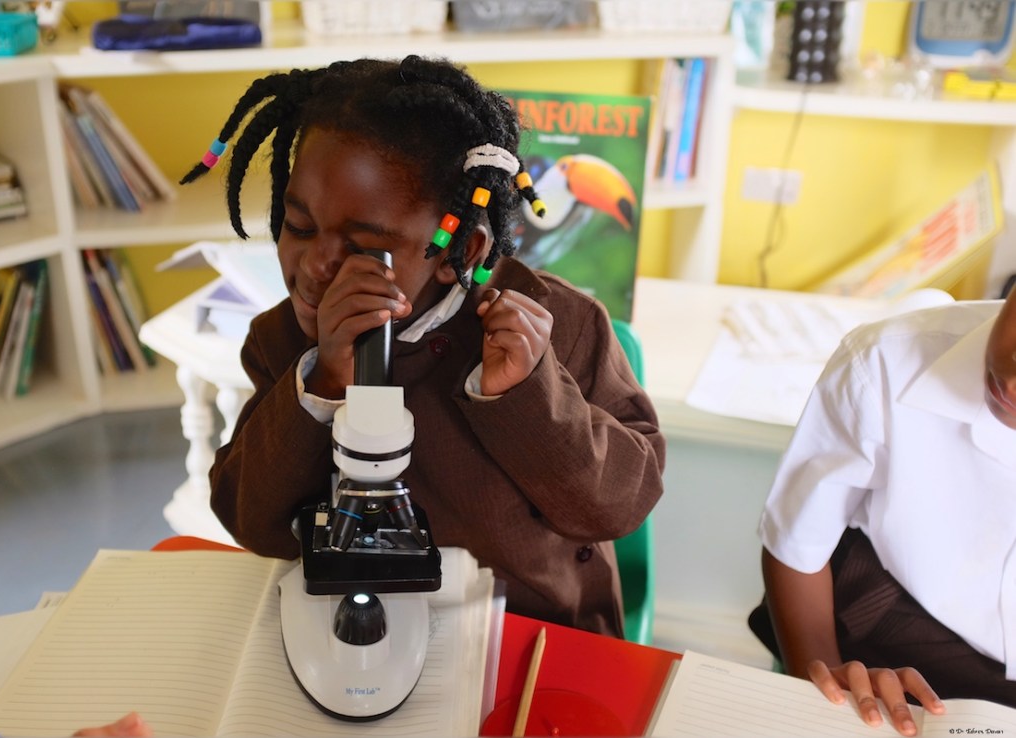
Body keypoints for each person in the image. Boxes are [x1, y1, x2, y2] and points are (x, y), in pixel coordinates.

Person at [177, 55, 665, 637]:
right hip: (355, 630)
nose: (314, 265)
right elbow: (250, 522)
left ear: (464, 251)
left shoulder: (565, 323)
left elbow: (617, 504)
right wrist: (324, 381)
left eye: (363, 246)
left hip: (530, 634)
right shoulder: (284, 341)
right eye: (299, 226)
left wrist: (531, 395)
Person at [751, 286, 1016, 736]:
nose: (1010, 381)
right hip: (894, 629)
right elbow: (797, 548)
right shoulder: (880, 364)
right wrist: (828, 690)